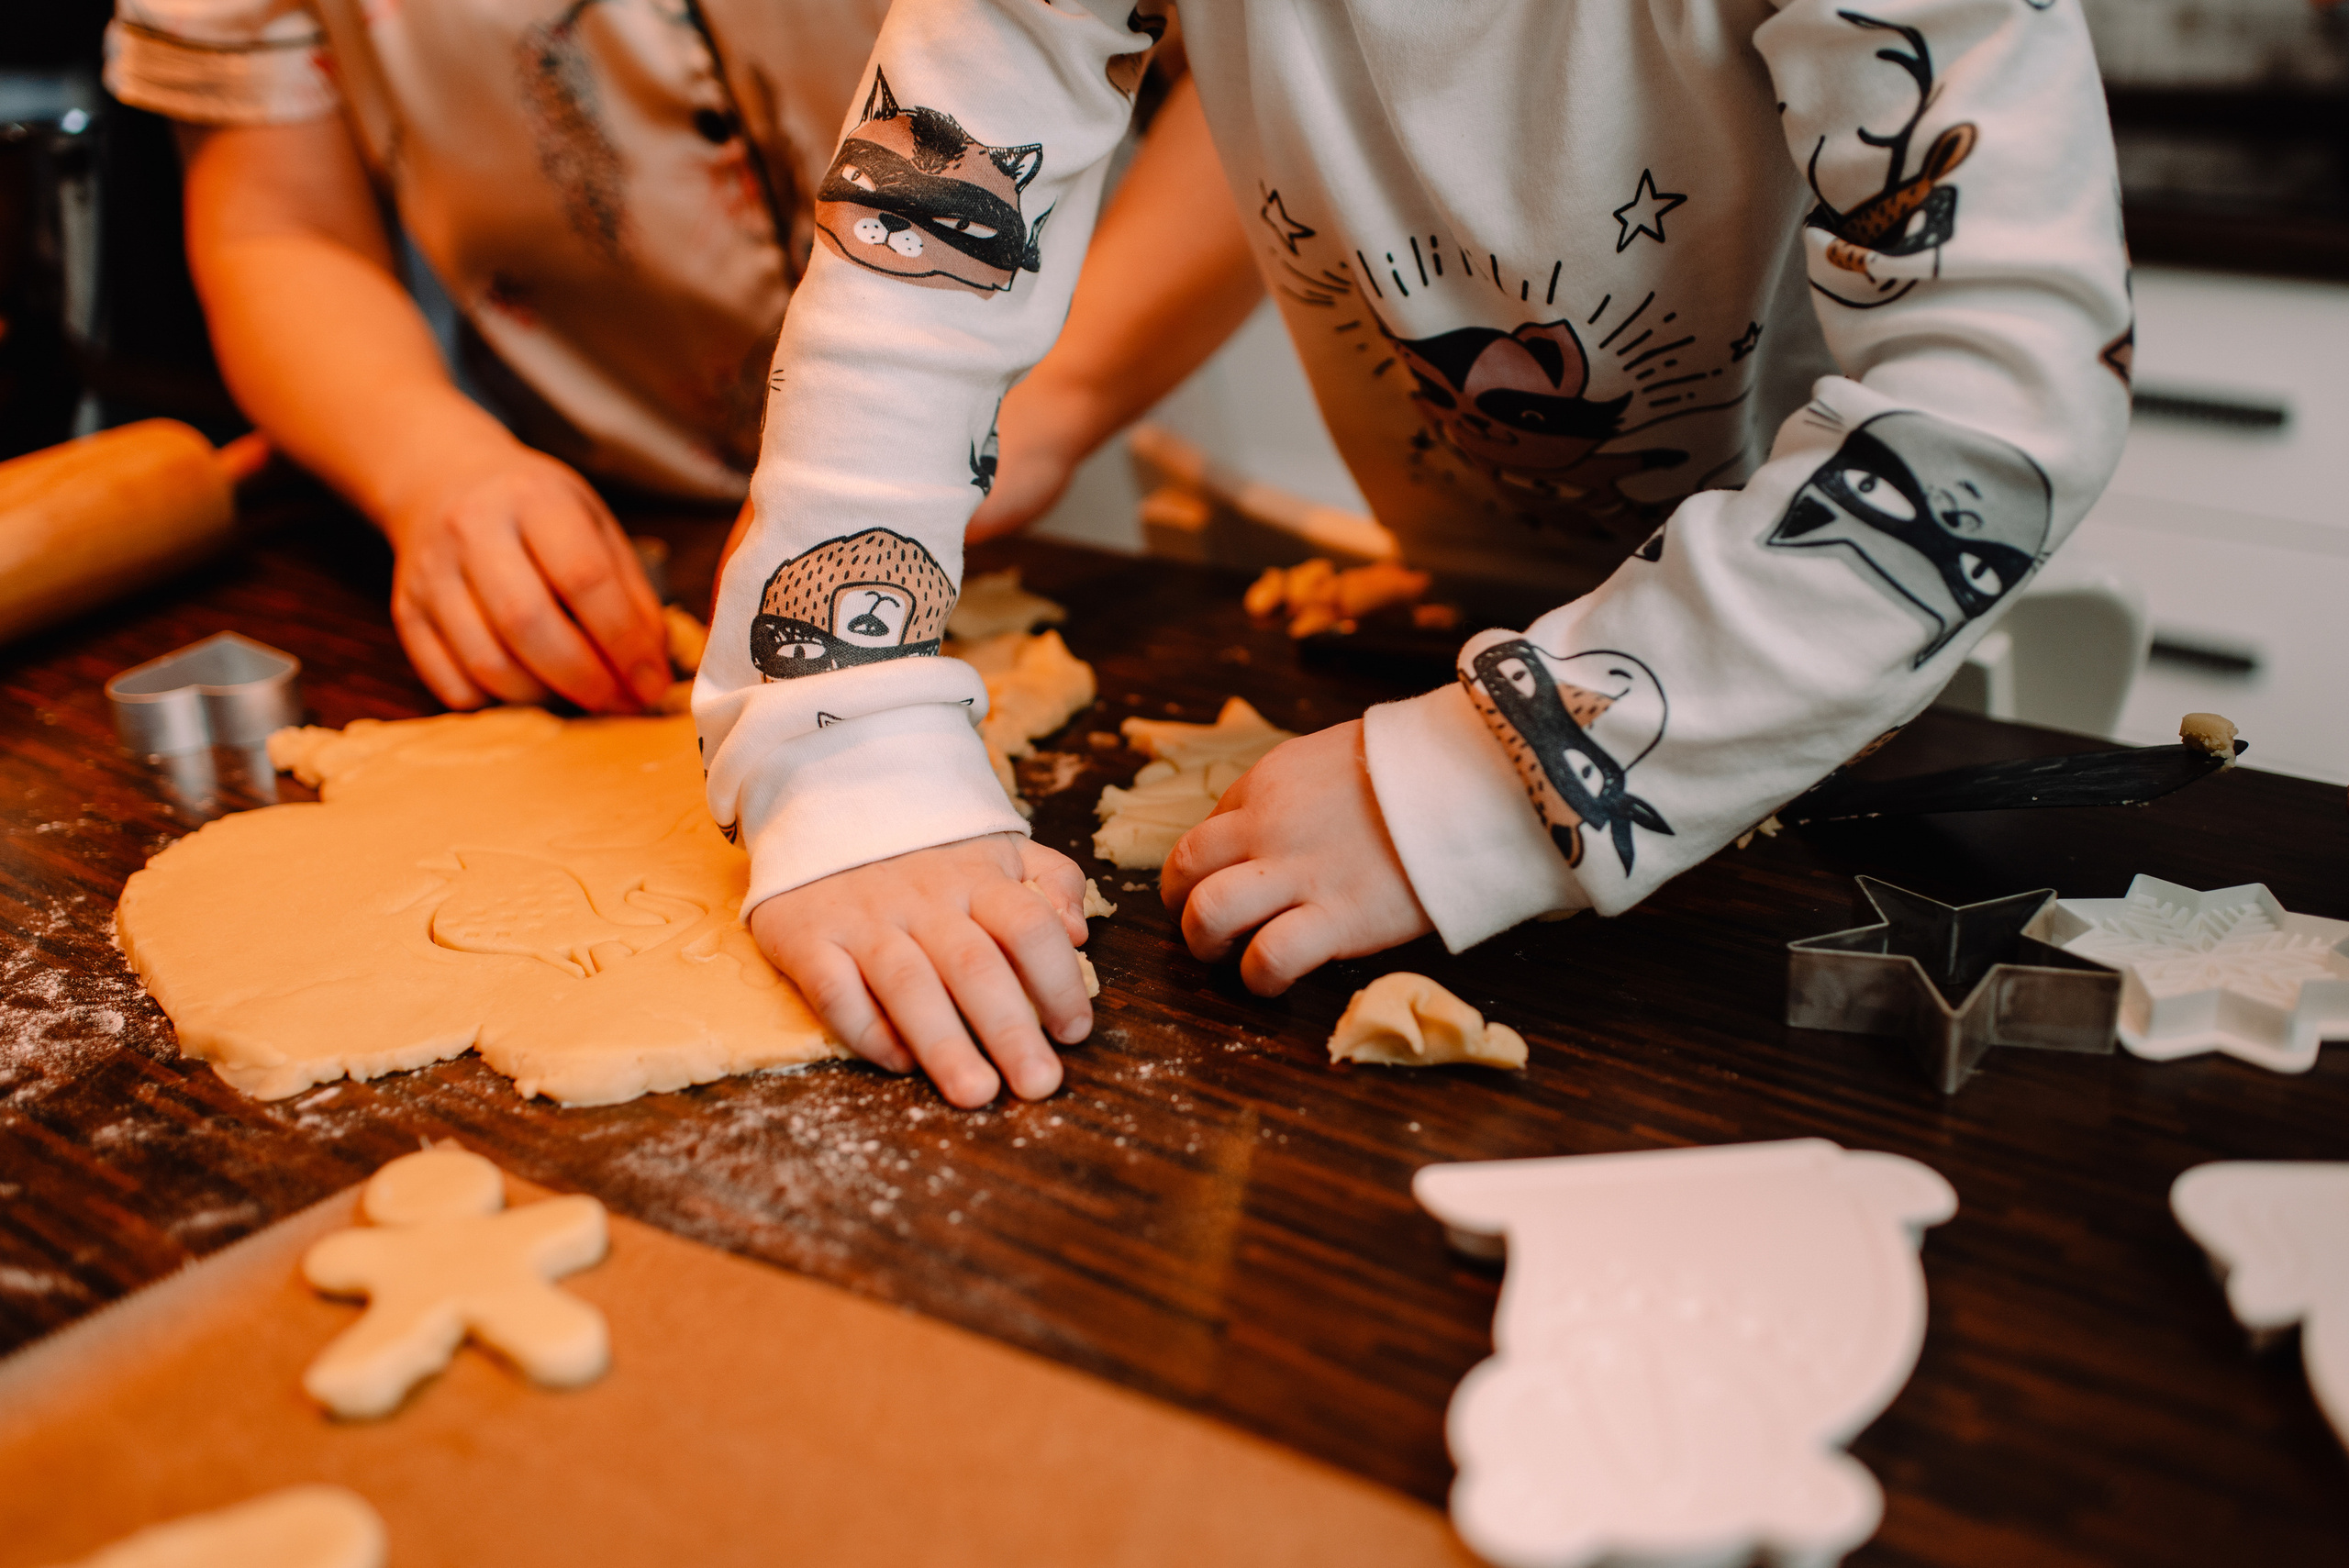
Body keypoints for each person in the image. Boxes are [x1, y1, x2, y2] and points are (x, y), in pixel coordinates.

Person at [696, 0, 2133, 1109]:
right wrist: (842, 730)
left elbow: (1989, 409)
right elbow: (923, 216)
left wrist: (1500, 772)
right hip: (1465, 618)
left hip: (1816, 703)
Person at [103, 0, 887, 713]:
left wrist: (942, 430)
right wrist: (434, 463)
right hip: (617, 510)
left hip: (1000, 474)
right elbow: (281, 225)